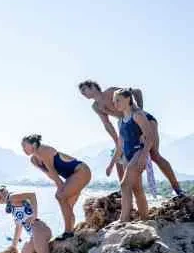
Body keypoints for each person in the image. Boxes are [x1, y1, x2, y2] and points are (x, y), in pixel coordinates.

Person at [78, 80, 183, 196]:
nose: (82, 93)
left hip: (142, 120)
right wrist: (117, 141)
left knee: (154, 154)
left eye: (84, 89)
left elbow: (137, 92)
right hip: (126, 126)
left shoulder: (112, 91)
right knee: (119, 157)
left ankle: (177, 189)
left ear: (93, 86)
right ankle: (125, 191)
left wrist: (140, 111)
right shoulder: (96, 107)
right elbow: (107, 125)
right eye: (81, 92)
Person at [22, 134, 91, 240]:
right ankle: (70, 232)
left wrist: (61, 188)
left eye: (24, 146)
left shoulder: (43, 150)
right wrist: (61, 187)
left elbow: (54, 173)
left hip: (81, 171)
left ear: (34, 144)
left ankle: (68, 233)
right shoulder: (34, 160)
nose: (23, 149)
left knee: (60, 197)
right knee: (67, 205)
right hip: (71, 177)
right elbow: (50, 174)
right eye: (22, 146)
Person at [108, 88, 156, 221]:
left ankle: (123, 220)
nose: (115, 104)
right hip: (127, 156)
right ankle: (145, 219)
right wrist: (111, 165)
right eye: (114, 101)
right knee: (137, 189)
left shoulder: (138, 115)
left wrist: (143, 156)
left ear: (128, 99)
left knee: (124, 184)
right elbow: (120, 145)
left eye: (118, 100)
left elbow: (150, 137)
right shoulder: (120, 121)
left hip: (138, 152)